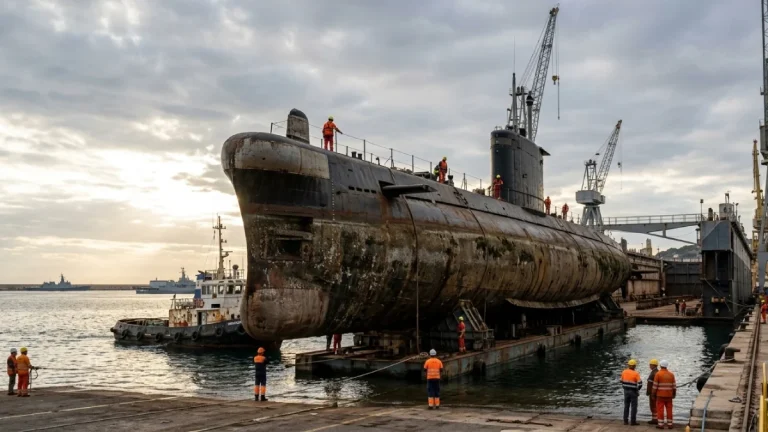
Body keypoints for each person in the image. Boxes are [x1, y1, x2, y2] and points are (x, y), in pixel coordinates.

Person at [652, 359, 676, 429]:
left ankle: (661, 424)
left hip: (660, 395)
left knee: (660, 409)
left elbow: (655, 386)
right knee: (669, 409)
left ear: (660, 366)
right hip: (669, 395)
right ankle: (670, 424)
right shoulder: (671, 374)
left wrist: (653, 394)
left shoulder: (658, 374)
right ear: (666, 366)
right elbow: (674, 386)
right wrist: (674, 394)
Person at [620, 359, 642, 426]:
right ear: (634, 366)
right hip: (633, 391)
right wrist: (637, 389)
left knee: (626, 406)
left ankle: (625, 421)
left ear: (628, 365)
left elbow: (621, 381)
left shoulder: (624, 372)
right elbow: (640, 384)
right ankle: (633, 421)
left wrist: (625, 386)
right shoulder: (636, 373)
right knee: (634, 407)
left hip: (626, 391)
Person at [646, 359, 660, 425]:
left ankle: (655, 419)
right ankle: (657, 418)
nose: (649, 366)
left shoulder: (653, 374)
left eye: (650, 364)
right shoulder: (658, 372)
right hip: (657, 392)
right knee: (656, 406)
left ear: (653, 365)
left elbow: (649, 384)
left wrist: (648, 392)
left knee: (653, 406)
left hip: (652, 392)